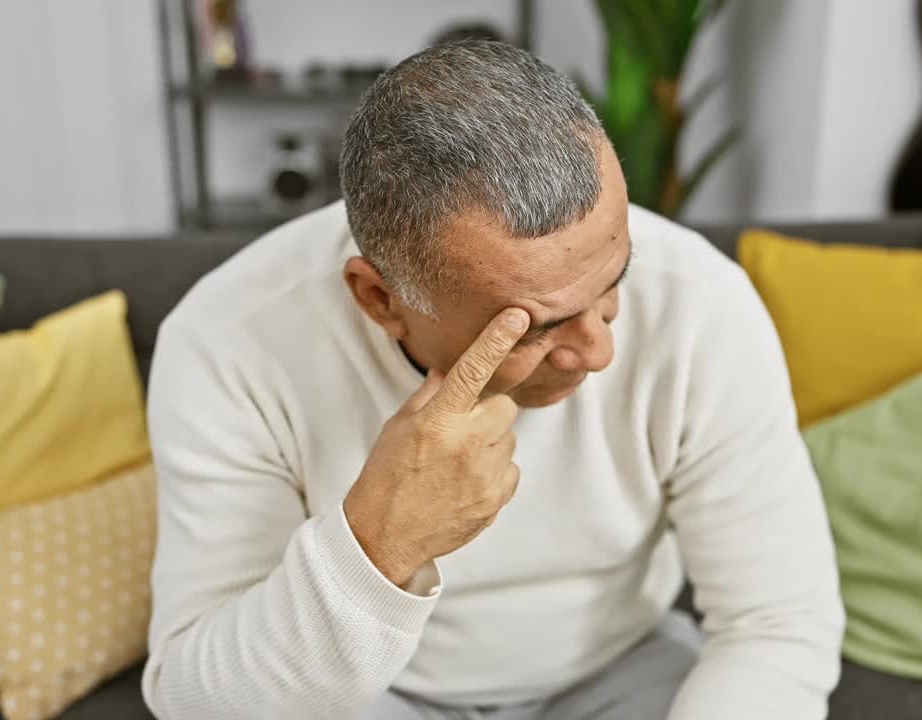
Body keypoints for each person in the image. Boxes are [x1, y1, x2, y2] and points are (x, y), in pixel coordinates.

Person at [142, 40, 843, 720]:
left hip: (620, 670)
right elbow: (196, 699)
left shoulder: (701, 301)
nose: (598, 352)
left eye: (612, 283)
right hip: (367, 695)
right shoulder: (227, 343)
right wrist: (379, 546)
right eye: (533, 326)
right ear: (379, 300)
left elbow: (775, 620)